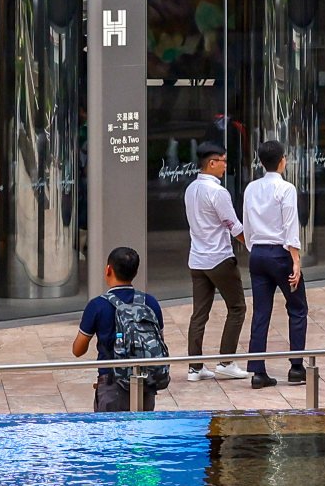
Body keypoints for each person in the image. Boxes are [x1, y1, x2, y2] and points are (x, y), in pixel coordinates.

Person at [242, 138, 310, 387]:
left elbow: (246, 224)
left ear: (261, 162)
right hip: (280, 253)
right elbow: (290, 225)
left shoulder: (251, 188)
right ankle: (296, 366)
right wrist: (295, 260)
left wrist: (253, 248)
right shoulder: (286, 189)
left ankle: (258, 371)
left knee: (261, 312)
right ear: (282, 161)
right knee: (297, 308)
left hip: (257, 253)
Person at [69, 246, 170, 411]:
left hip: (111, 385)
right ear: (135, 272)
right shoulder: (150, 302)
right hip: (145, 382)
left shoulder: (97, 305)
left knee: (110, 435)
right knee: (141, 435)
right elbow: (159, 341)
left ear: (108, 270)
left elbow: (78, 350)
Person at [181, 143, 247, 376]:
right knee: (237, 307)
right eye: (223, 161)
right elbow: (233, 225)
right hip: (219, 259)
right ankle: (226, 362)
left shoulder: (191, 189)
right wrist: (252, 245)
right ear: (211, 163)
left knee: (199, 314)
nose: (225, 165)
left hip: (197, 260)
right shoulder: (218, 192)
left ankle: (194, 367)